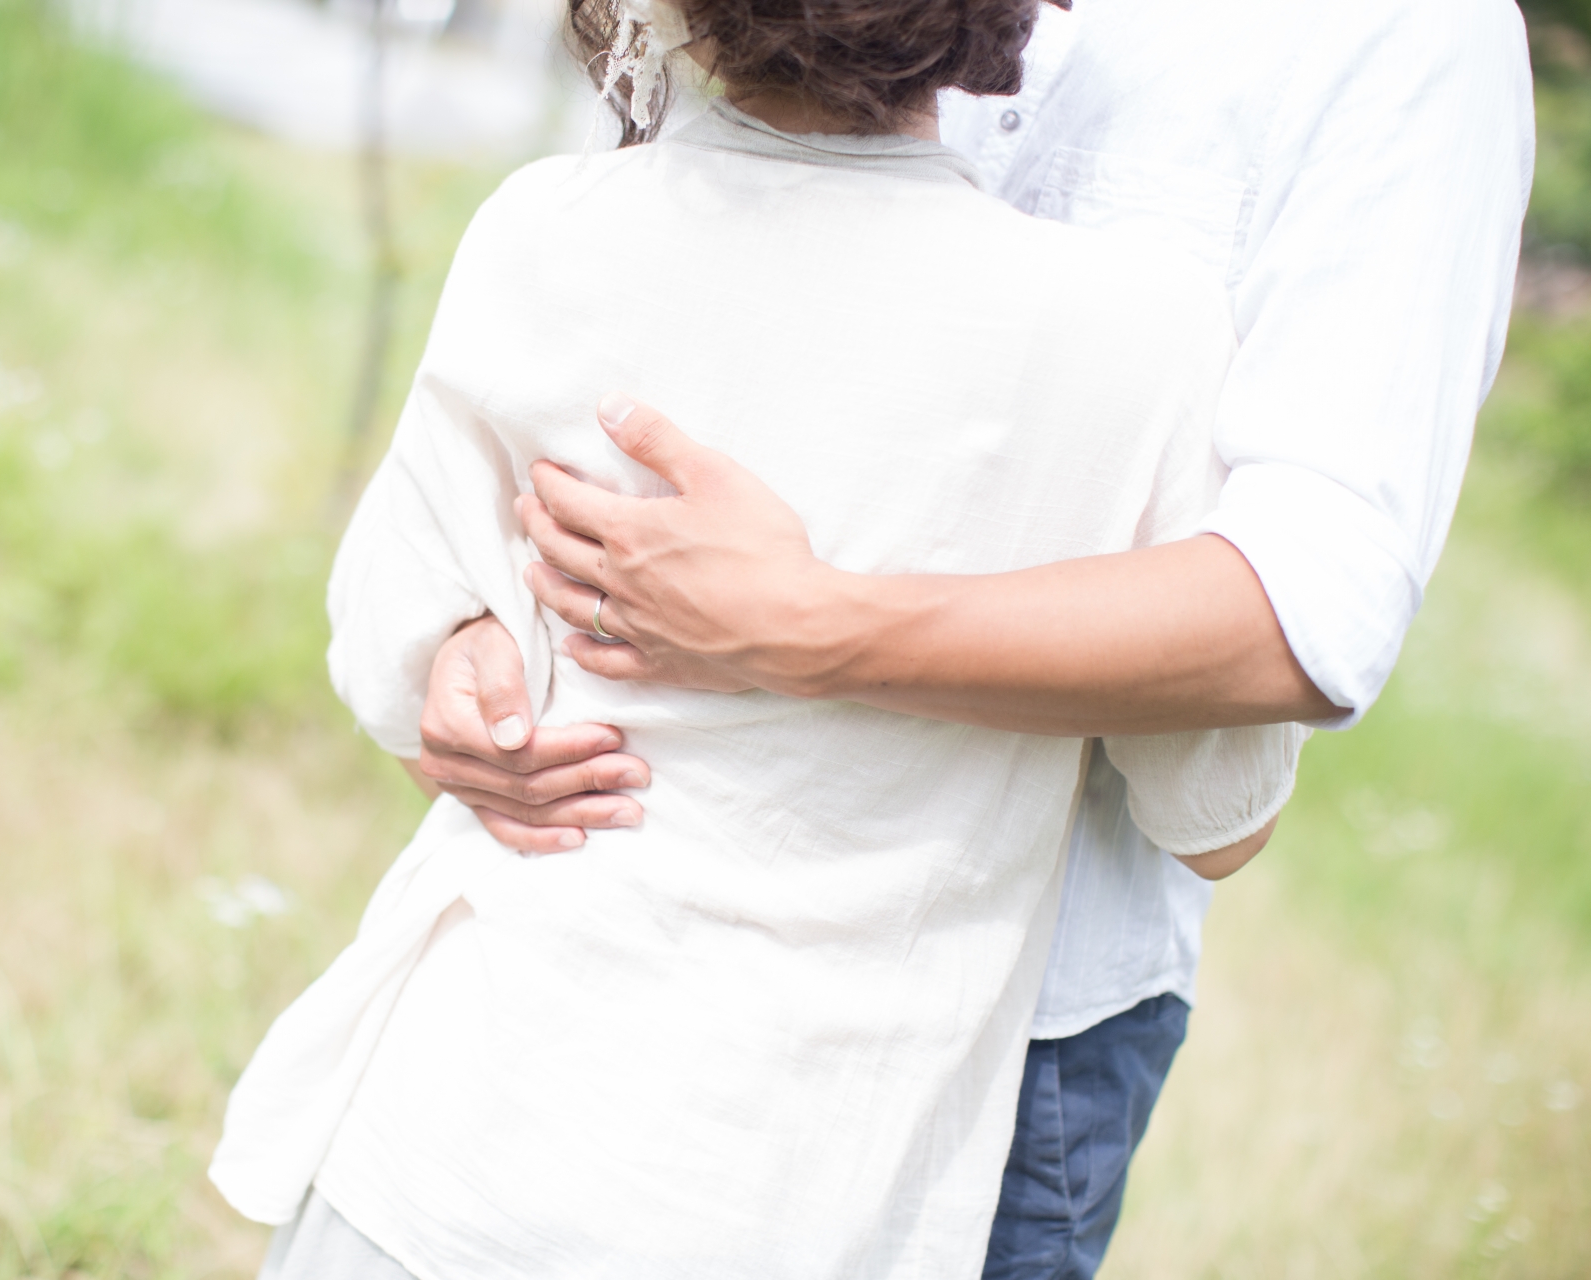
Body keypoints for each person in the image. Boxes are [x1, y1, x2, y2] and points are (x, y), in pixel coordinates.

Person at [410, 0, 1536, 1274]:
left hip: (988, 1026)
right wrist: (470, 635)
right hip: (607, 911)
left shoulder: (1402, 38)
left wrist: (810, 625)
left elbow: (1299, 614)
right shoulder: (546, 211)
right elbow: (628, 317)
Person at [210, 0, 1307, 1275]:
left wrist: (466, 646)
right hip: (796, 1195)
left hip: (455, 1139)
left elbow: (408, 679)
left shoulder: (551, 228)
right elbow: (1220, 820)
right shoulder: (1147, 336)